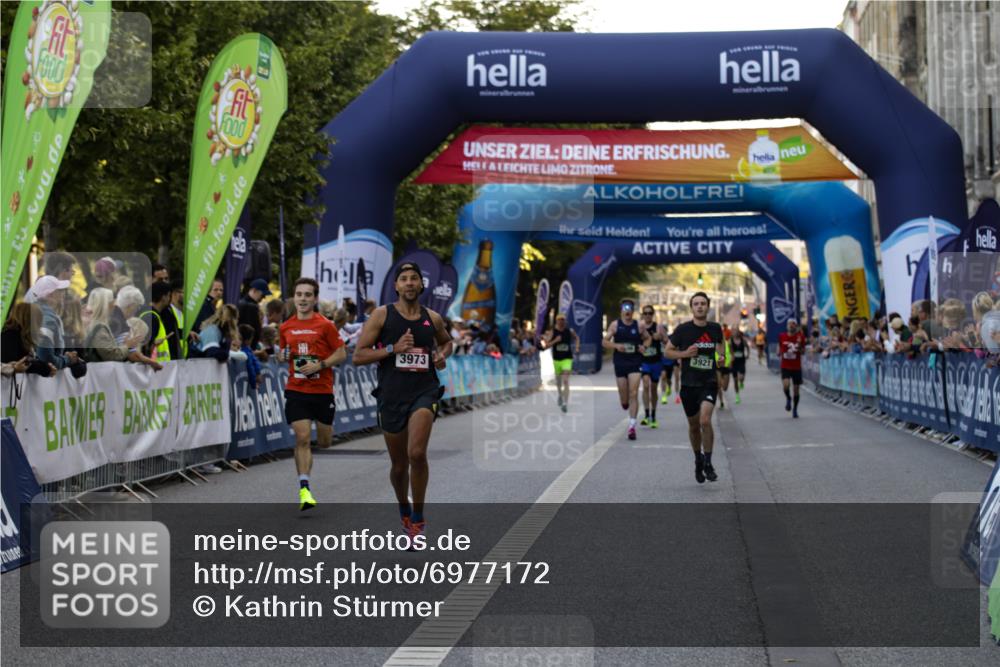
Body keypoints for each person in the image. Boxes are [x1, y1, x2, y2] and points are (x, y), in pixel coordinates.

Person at [353, 262, 452, 539]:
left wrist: (442, 354)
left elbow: (446, 342)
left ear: (421, 285)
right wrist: (392, 349)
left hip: (424, 391)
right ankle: (404, 507)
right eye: (404, 279)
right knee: (399, 466)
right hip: (391, 394)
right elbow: (358, 356)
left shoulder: (433, 318)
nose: (409, 282)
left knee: (416, 454)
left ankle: (418, 519)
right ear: (396, 286)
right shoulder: (382, 315)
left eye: (414, 278)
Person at [279, 277, 347, 511]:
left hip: (322, 391)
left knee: (325, 442)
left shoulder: (325, 325)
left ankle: (322, 437)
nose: (303, 299)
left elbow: (341, 353)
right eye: (299, 294)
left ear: (315, 298)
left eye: (308, 295)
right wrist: (282, 356)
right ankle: (304, 489)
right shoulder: (285, 327)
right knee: (303, 438)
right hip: (296, 390)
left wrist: (320, 365)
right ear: (294, 297)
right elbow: (283, 353)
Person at [665, 292, 725, 484]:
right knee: (693, 426)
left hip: (709, 382)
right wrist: (684, 354)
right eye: (696, 304)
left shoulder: (715, 328)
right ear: (692, 308)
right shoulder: (683, 330)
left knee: (705, 421)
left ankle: (708, 462)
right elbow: (667, 352)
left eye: (703, 303)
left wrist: (721, 358)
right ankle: (698, 459)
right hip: (689, 385)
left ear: (708, 306)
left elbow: (721, 348)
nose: (700, 306)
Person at [602, 298, 651, 441]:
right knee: (624, 398)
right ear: (622, 310)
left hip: (635, 361)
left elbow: (648, 339)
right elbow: (604, 341)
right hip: (620, 362)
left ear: (633, 311)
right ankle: (625, 403)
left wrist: (644, 347)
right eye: (625, 308)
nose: (627, 311)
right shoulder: (615, 325)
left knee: (633, 393)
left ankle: (632, 426)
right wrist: (616, 346)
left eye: (630, 308)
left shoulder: (639, 325)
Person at [82, 288, 162, 370]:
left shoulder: (92, 323)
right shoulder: (113, 324)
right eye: (112, 302)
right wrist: (128, 345)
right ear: (132, 306)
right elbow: (114, 355)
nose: (114, 304)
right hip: (102, 372)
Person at [25, 275, 79, 371]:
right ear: (50, 295)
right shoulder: (47, 317)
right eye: (60, 291)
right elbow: (47, 360)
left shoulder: (34, 311)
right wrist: (67, 359)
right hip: (43, 378)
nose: (63, 294)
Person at [1, 303, 57, 377]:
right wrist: (45, 368)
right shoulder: (10, 335)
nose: (40, 325)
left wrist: (45, 367)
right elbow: (15, 363)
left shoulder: (19, 335)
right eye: (38, 320)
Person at [540, 313, 579, 413]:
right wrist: (555, 341)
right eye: (560, 320)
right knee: (558, 382)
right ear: (556, 321)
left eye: (563, 320)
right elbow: (546, 346)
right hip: (557, 359)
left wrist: (577, 347)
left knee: (565, 380)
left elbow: (576, 338)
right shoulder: (553, 332)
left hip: (567, 358)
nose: (562, 321)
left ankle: (565, 403)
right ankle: (560, 395)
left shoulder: (569, 331)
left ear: (565, 321)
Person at [638, 305, 667, 428]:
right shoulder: (639, 327)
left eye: (650, 313)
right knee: (645, 385)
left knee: (654, 389)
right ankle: (646, 415)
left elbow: (667, 341)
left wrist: (660, 337)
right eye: (645, 313)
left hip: (656, 362)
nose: (648, 315)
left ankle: (653, 415)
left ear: (653, 314)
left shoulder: (658, 327)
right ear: (642, 314)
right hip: (644, 361)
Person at [140, 281, 177, 362]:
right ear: (163, 297)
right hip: (153, 365)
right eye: (169, 295)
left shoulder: (152, 314)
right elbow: (145, 346)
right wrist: (153, 344)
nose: (170, 299)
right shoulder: (151, 317)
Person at [778, 319, 807, 418]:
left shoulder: (800, 337)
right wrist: (779, 352)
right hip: (785, 365)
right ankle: (788, 398)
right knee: (786, 385)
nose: (791, 326)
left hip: (796, 367)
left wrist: (799, 347)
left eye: (793, 324)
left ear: (796, 326)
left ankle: (795, 409)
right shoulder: (782, 336)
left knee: (796, 390)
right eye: (789, 324)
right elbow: (780, 347)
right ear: (787, 326)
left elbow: (803, 352)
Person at [239, 278, 270, 349]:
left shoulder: (241, 302)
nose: (264, 297)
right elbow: (253, 330)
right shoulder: (251, 307)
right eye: (262, 295)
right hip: (249, 346)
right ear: (254, 290)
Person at [729, 328, 750, 404]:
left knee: (741, 377)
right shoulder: (730, 341)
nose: (736, 333)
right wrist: (731, 357)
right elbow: (730, 350)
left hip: (741, 361)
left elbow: (747, 347)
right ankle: (737, 396)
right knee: (735, 380)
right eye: (734, 332)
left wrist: (748, 354)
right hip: (734, 362)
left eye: (737, 332)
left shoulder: (743, 340)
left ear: (739, 333)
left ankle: (741, 382)